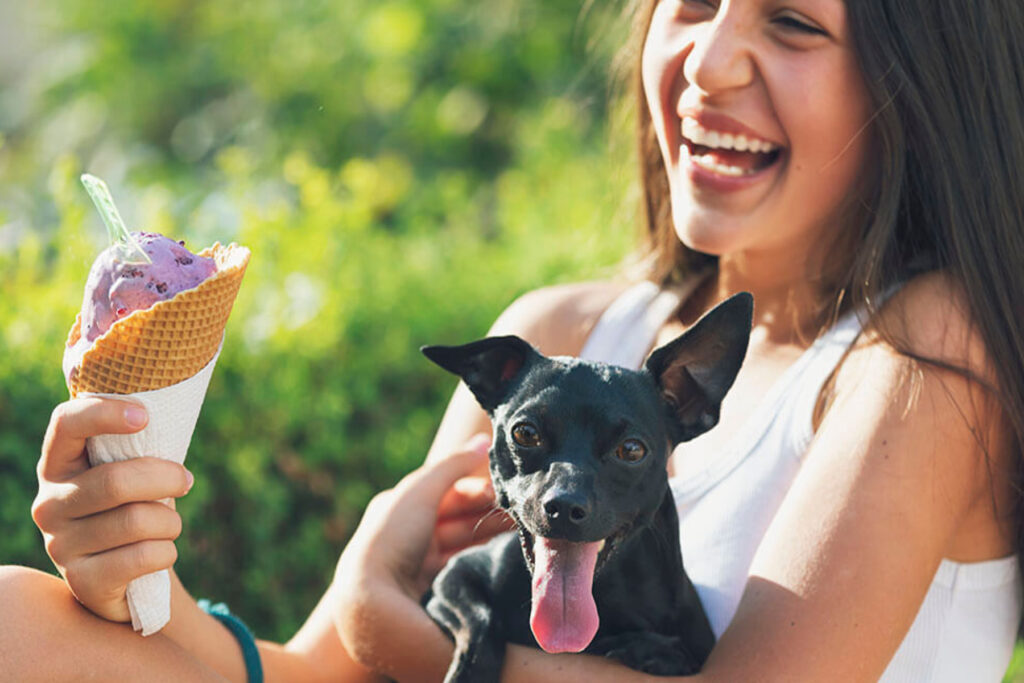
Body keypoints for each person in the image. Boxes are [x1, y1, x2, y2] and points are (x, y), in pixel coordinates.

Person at [2, 0, 1022, 680]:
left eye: (794, 21)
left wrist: (387, 616)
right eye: (693, 1)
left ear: (918, 79)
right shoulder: (562, 335)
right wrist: (139, 577)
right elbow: (320, 673)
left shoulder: (925, 351)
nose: (708, 60)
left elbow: (373, 636)